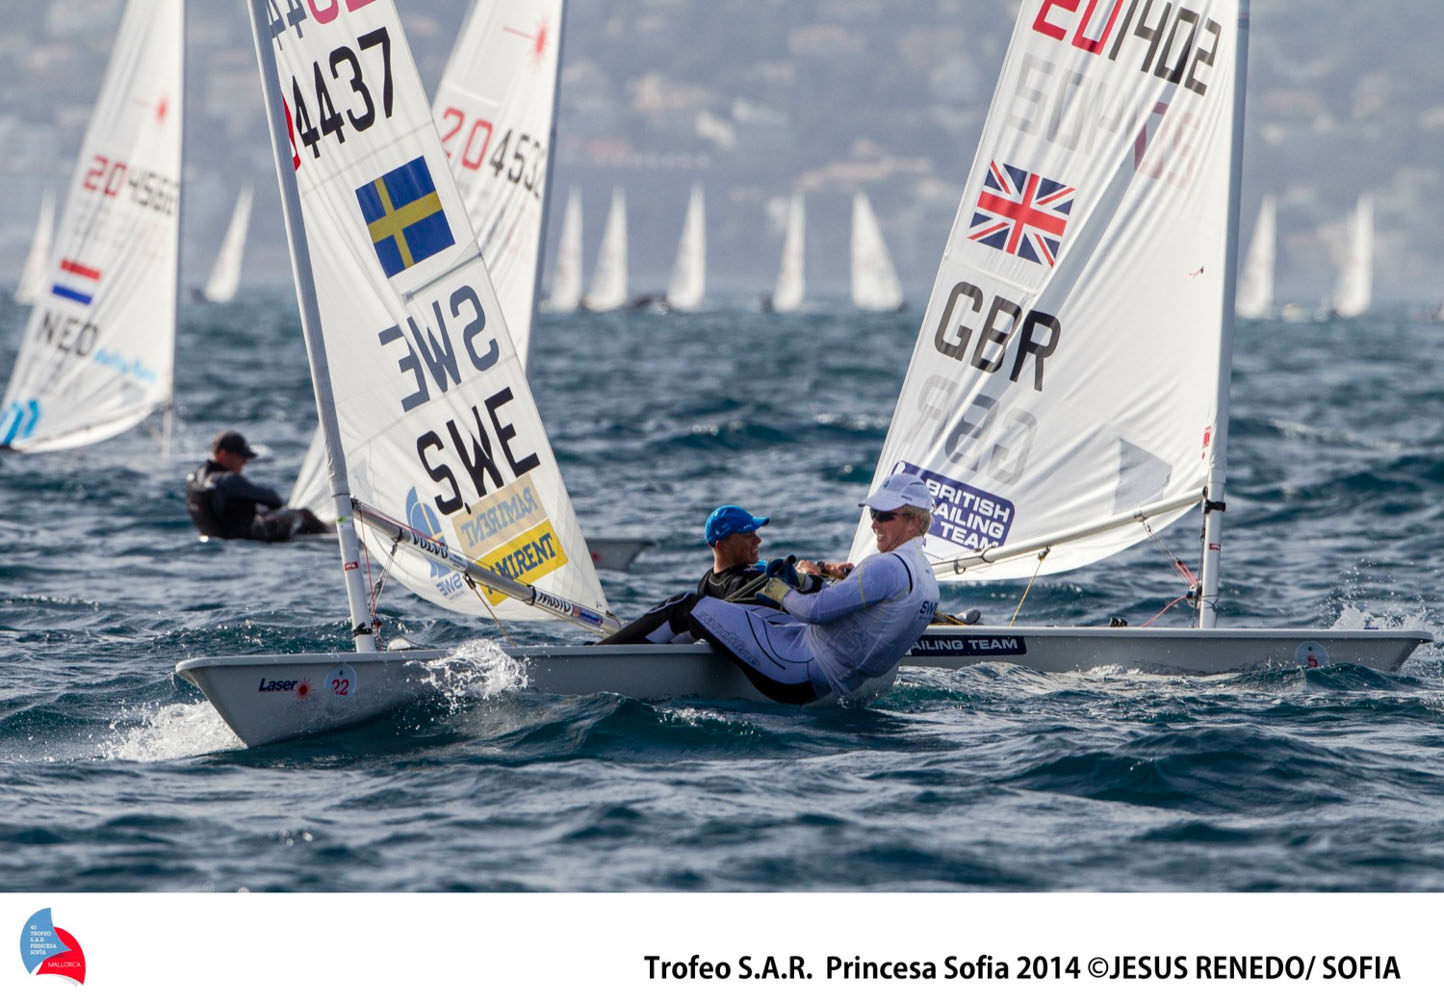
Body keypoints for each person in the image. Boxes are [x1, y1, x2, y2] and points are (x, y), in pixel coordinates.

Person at [687, 472, 940, 706]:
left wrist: (781, 592)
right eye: (874, 513)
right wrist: (804, 582)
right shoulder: (927, 577)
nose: (874, 524)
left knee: (686, 607)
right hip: (839, 682)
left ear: (914, 521)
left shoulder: (887, 566)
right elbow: (840, 606)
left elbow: (815, 611)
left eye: (884, 516)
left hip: (798, 673)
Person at [597, 504, 847, 645]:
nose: (758, 540)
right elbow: (807, 592)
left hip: (802, 640)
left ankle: (618, 646)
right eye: (748, 534)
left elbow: (790, 573)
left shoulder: (743, 574)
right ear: (722, 544)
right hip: (785, 650)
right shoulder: (738, 583)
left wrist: (825, 568)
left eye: (756, 533)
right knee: (682, 607)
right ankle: (614, 651)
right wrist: (814, 577)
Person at [185, 430, 330, 542]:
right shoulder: (229, 480)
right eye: (241, 457)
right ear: (223, 455)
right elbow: (274, 500)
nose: (245, 462)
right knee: (302, 513)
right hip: (245, 537)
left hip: (215, 536)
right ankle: (328, 532)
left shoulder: (197, 477)